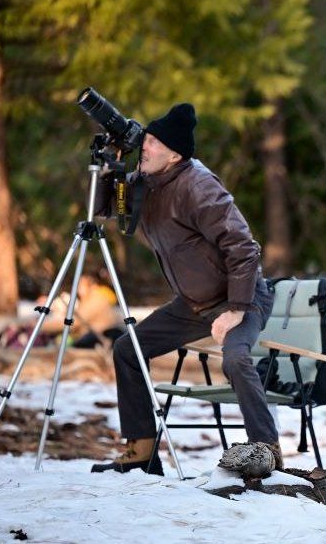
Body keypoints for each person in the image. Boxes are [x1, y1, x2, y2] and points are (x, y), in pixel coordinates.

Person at [91, 103, 276, 476]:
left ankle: (267, 451)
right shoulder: (148, 181)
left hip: (240, 297)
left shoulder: (199, 186)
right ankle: (141, 452)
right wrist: (106, 171)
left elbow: (243, 248)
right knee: (128, 349)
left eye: (154, 142)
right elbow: (105, 211)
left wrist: (237, 308)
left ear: (174, 154)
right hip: (192, 303)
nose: (144, 144)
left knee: (236, 359)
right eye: (147, 137)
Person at [39, 272, 124, 349]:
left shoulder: (96, 299)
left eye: (80, 285)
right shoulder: (93, 298)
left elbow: (74, 323)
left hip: (99, 340)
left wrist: (40, 326)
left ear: (92, 284)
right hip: (94, 339)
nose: (77, 289)